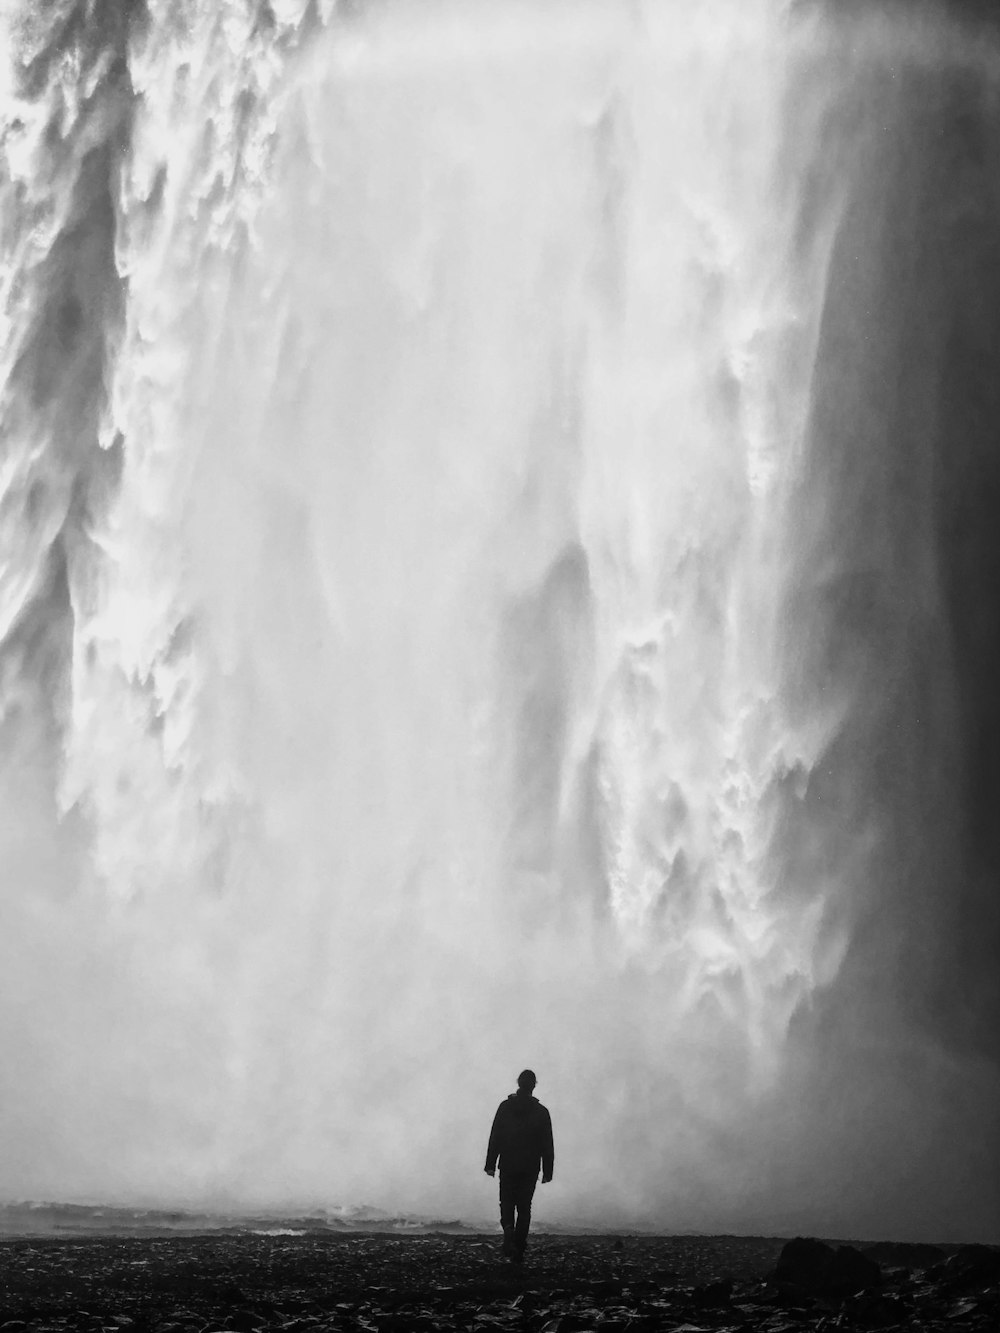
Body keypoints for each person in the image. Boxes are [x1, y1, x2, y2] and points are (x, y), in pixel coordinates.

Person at [484, 1069, 554, 1262]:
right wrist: (548, 1171)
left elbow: (495, 1136)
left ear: (519, 1083)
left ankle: (508, 1229)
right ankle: (519, 1244)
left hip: (508, 1163)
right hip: (530, 1166)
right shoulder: (542, 1112)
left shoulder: (505, 1107)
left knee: (506, 1201)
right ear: (534, 1086)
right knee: (524, 1206)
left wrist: (490, 1163)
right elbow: (547, 1144)